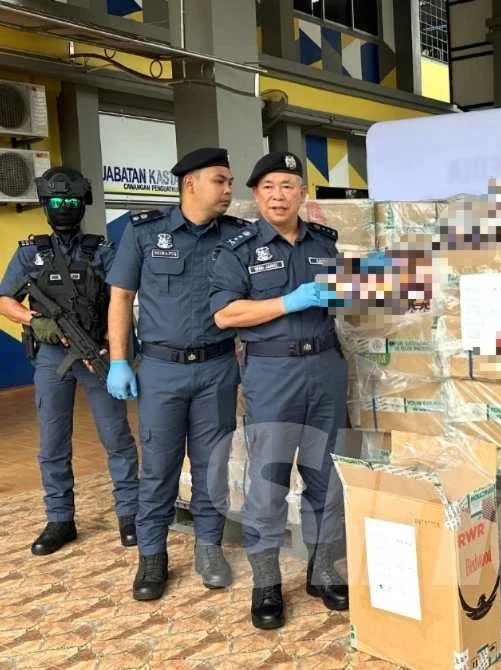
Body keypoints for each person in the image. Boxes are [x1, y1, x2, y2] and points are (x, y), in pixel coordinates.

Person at [208, 151, 350, 630]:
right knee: (268, 482)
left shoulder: (324, 243)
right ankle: (266, 584)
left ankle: (324, 571)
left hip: (326, 367)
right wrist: (289, 302)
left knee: (327, 479)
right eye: (268, 187)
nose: (278, 195)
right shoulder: (239, 250)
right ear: (256, 195)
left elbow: (348, 297)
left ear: (303, 194)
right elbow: (226, 315)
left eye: (288, 186)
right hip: (273, 372)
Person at [106, 147, 247, 601]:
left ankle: (208, 549)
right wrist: (118, 360)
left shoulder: (239, 237)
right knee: (159, 467)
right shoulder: (146, 233)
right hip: (163, 370)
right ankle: (152, 556)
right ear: (190, 183)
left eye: (229, 182)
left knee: (212, 466)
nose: (228, 190)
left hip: (218, 368)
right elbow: (121, 298)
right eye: (220, 181)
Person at [0, 167, 139, 555]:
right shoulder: (29, 253)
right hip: (52, 357)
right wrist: (35, 321)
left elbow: (120, 298)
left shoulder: (103, 251)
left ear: (83, 205)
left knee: (116, 437)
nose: (64, 208)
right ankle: (60, 519)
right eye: (57, 202)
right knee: (53, 440)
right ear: (45, 205)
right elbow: (5, 299)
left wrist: (118, 346)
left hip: (96, 352)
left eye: (71, 202)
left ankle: (130, 514)